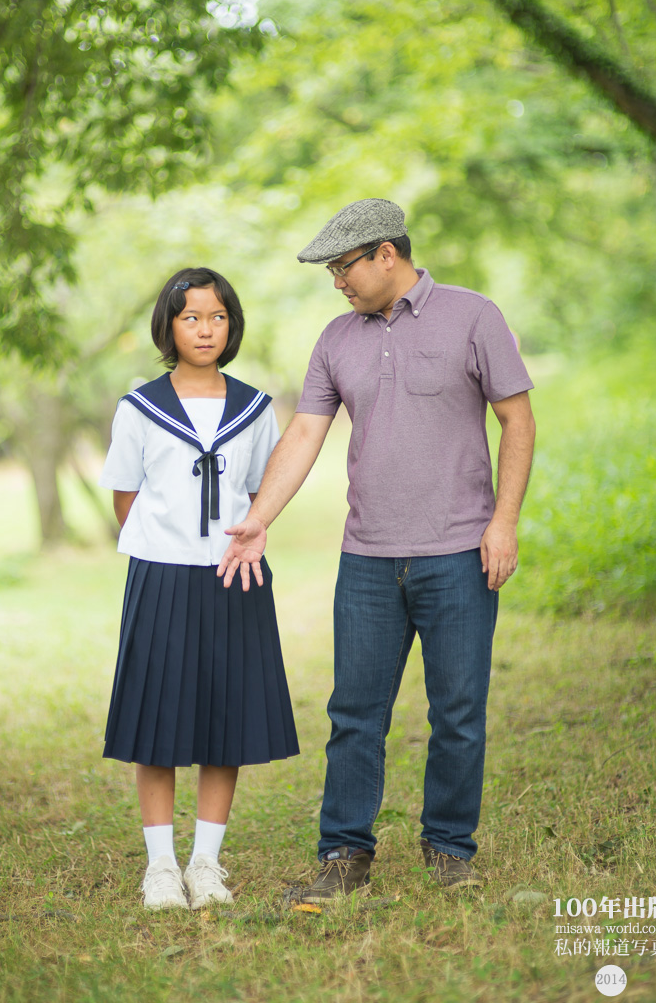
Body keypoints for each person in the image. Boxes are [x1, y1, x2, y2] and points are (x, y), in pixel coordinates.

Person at [219, 198, 536, 900]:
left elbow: (517, 419)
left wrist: (504, 522)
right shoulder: (337, 338)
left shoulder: (473, 317)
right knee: (355, 713)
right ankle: (344, 855)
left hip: (459, 552)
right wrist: (260, 516)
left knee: (458, 711)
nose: (338, 282)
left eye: (344, 267)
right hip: (366, 558)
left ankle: (450, 849)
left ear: (386, 254)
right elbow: (305, 433)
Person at [99, 267, 299, 910]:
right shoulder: (140, 407)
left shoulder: (255, 407)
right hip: (160, 576)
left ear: (231, 325)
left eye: (216, 317)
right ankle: (161, 866)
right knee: (155, 720)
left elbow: (264, 494)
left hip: (234, 575)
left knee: (225, 720)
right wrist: (167, 550)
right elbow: (125, 497)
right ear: (169, 326)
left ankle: (205, 863)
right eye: (191, 318)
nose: (205, 329)